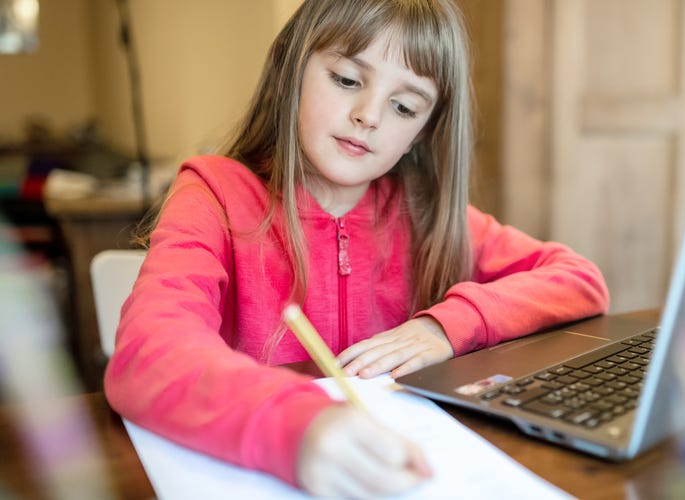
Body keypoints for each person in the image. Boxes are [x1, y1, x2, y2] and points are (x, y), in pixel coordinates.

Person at [104, 0, 609, 497]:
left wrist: (447, 326)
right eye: (347, 79)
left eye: (405, 106)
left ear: (421, 133)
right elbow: (148, 351)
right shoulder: (212, 194)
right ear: (292, 71)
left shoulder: (425, 214)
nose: (369, 115)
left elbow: (578, 279)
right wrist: (293, 426)